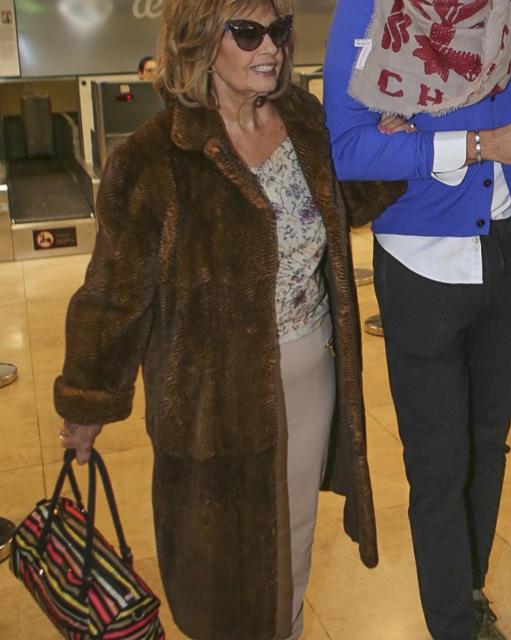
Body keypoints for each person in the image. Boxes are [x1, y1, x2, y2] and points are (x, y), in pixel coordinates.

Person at [55, 1, 401, 638]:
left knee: (291, 540)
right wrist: (89, 402)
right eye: (247, 33)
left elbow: (341, 203)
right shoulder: (154, 158)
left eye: (276, 31)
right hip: (211, 398)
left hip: (310, 372)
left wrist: (389, 154)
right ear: (200, 41)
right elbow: (113, 294)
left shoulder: (302, 119)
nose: (269, 46)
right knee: (219, 567)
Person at [324, 1, 511, 638]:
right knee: (438, 462)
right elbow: (348, 147)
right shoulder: (373, 7)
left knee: (487, 444)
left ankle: (467, 591)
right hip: (418, 259)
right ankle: (451, 625)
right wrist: (483, 145)